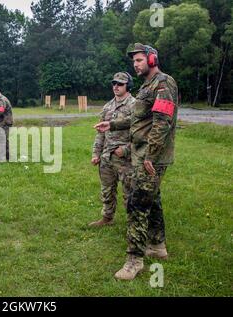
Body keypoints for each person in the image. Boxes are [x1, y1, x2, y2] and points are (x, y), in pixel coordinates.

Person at [95, 43, 179, 280]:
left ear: (152, 59)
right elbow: (137, 117)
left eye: (140, 60)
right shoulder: (147, 86)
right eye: (134, 61)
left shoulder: (163, 83)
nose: (136, 64)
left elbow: (162, 122)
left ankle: (134, 260)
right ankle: (158, 246)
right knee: (153, 200)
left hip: (151, 157)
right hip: (145, 153)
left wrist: (151, 155)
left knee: (137, 203)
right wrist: (111, 124)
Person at [89, 72, 136, 227]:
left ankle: (133, 223)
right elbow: (100, 133)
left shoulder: (135, 105)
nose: (116, 86)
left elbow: (142, 134)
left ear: (128, 86)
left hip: (126, 159)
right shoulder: (107, 106)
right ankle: (107, 217)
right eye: (114, 83)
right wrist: (96, 153)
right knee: (107, 190)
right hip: (107, 157)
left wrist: (127, 150)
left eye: (120, 84)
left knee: (130, 193)